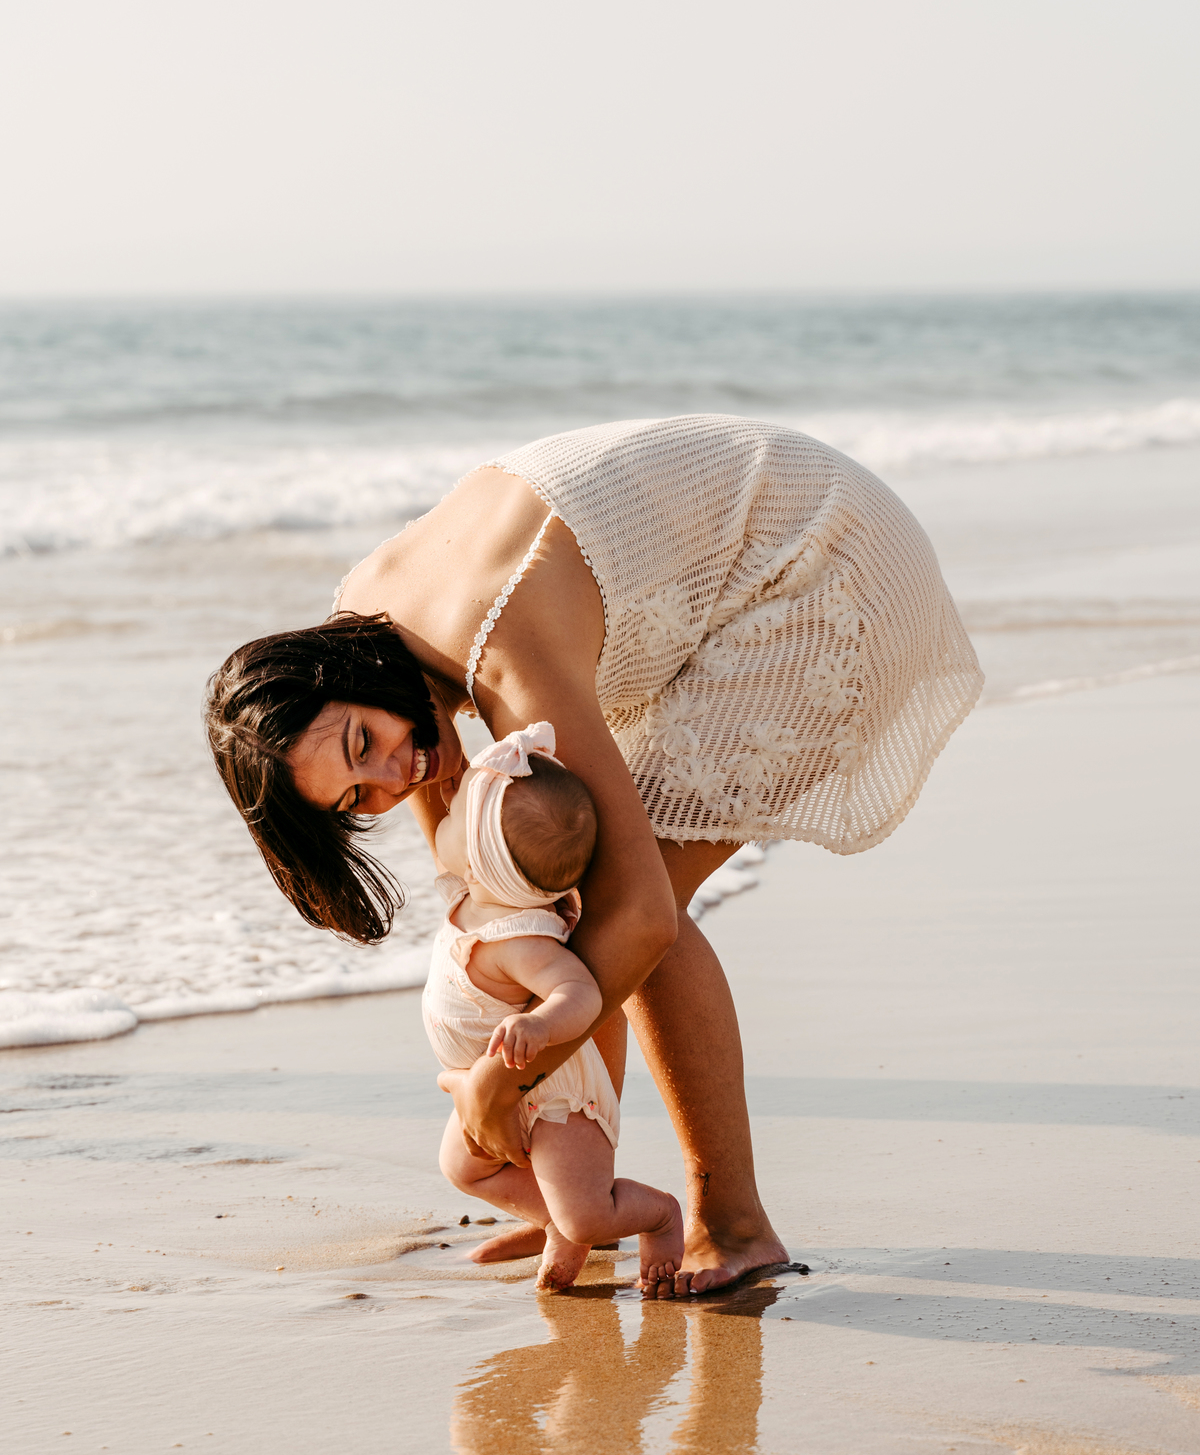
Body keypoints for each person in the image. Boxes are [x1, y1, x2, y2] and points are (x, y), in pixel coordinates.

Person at [205, 413, 983, 1296]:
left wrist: (505, 1080)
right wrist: (558, 1180)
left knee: (630, 904)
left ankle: (735, 1225)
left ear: (343, 675)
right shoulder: (371, 658)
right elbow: (495, 906)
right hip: (725, 565)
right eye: (356, 799)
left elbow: (639, 920)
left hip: (825, 558)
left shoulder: (497, 647)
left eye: (363, 745)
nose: (396, 774)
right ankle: (585, 1197)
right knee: (553, 909)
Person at [424, 719, 684, 1293]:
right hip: (506, 1087)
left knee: (587, 1211)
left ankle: (657, 1216)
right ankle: (555, 1222)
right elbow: (458, 828)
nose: (444, 806)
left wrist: (539, 1022)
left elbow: (582, 993)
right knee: (462, 1169)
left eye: (454, 812)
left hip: (555, 1096)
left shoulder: (523, 940)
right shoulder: (472, 899)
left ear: (478, 864)